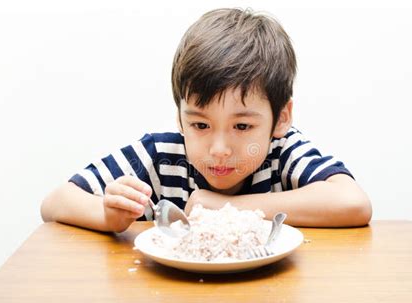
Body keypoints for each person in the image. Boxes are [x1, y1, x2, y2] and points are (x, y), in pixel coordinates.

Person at [41, 8, 372, 233]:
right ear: (181, 120)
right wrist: (107, 216)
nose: (219, 149)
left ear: (280, 118)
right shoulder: (161, 154)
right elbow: (54, 203)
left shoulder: (282, 150)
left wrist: (226, 206)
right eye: (200, 125)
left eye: (242, 127)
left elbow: (353, 203)